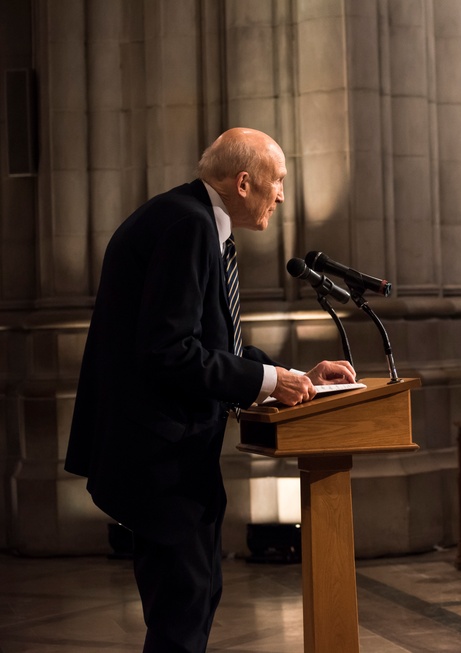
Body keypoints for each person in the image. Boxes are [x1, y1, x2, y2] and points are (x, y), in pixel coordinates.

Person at [64, 128, 357, 653]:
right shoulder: (188, 226)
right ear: (245, 183)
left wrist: (295, 377)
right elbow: (169, 352)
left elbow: (211, 343)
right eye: (278, 181)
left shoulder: (192, 219)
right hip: (161, 459)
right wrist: (269, 383)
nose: (282, 195)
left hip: (167, 457)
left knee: (194, 598)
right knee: (184, 611)